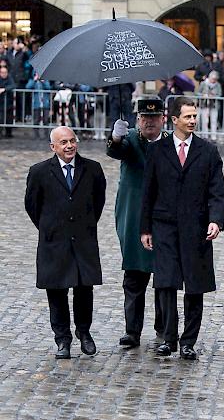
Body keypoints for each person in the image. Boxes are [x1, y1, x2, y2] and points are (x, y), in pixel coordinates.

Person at [140, 97, 224, 360]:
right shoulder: (157, 151)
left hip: (196, 227)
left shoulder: (208, 151)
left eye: (194, 116)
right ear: (174, 119)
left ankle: (188, 341)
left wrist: (215, 220)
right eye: (187, 116)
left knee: (194, 285)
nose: (192, 121)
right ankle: (169, 338)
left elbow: (218, 191)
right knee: (165, 283)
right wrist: (145, 229)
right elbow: (148, 192)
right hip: (164, 226)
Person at [24, 126, 107, 359]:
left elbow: (98, 201)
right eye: (63, 142)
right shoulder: (39, 172)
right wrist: (49, 227)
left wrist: (85, 224)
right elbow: (32, 205)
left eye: (72, 141)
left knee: (84, 289)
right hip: (54, 241)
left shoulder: (92, 169)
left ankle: (84, 332)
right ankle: (62, 339)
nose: (69, 146)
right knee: (56, 291)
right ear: (53, 147)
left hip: (83, 239)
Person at [106, 99, 167, 348]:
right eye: (144, 118)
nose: (149, 122)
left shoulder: (171, 143)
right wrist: (116, 137)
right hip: (133, 215)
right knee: (134, 274)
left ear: (163, 119)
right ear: (137, 120)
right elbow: (115, 151)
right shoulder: (130, 139)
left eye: (154, 118)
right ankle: (132, 330)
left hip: (163, 215)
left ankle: (164, 329)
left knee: (164, 276)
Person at [196, 70, 222, 139]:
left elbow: (220, 94)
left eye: (215, 79)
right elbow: (198, 93)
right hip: (204, 104)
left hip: (214, 105)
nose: (213, 80)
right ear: (209, 78)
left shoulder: (218, 85)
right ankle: (205, 135)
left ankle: (213, 135)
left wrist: (214, 96)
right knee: (205, 121)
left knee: (214, 120)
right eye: (212, 79)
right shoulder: (203, 83)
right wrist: (203, 95)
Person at [26, 72, 51, 140]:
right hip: (36, 104)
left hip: (45, 103)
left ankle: (46, 135)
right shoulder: (32, 80)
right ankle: (36, 135)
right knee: (36, 119)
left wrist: (43, 82)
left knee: (46, 120)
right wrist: (34, 80)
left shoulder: (46, 80)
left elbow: (48, 88)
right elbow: (28, 87)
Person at [0, 66, 16, 138]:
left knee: (9, 119)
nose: (4, 74)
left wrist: (4, 89)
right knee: (0, 119)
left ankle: (8, 133)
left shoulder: (9, 78)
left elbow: (13, 85)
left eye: (5, 72)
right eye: (2, 72)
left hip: (8, 103)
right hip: (1, 103)